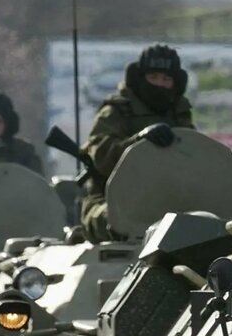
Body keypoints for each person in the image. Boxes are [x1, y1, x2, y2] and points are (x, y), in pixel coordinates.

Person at [79, 43, 194, 240]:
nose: (159, 84)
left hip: (170, 204)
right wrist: (139, 141)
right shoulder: (116, 111)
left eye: (166, 79)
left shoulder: (179, 114)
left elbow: (194, 158)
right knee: (118, 222)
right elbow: (101, 157)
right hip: (112, 202)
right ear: (140, 78)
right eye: (153, 77)